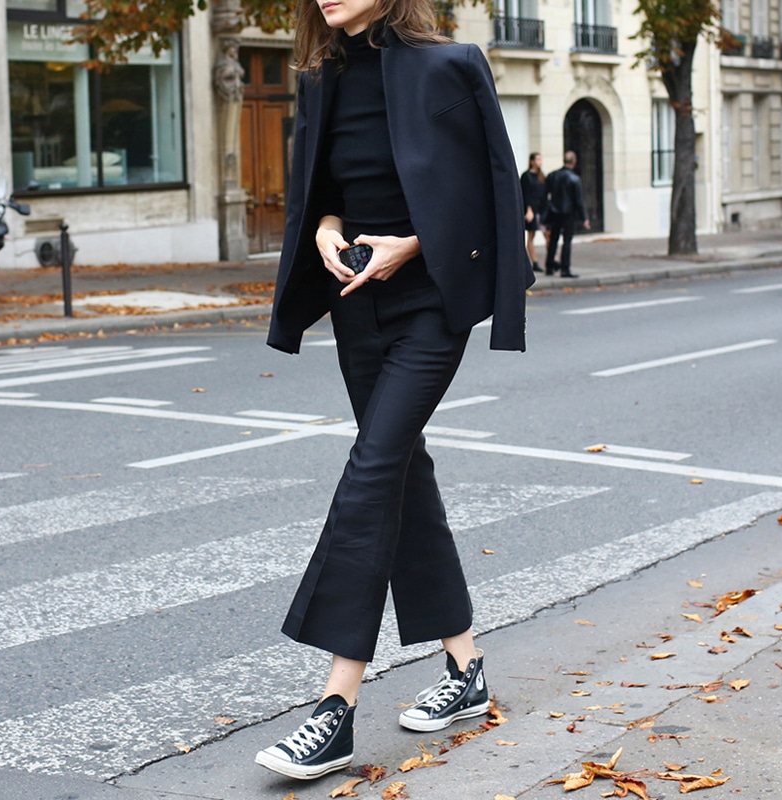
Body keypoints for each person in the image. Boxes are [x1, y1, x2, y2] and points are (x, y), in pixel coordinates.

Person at [258, 0, 533, 781]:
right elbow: (323, 192)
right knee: (405, 474)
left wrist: (409, 244)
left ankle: (336, 707)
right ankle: (465, 669)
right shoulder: (320, 77)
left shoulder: (451, 65)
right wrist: (323, 233)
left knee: (372, 470)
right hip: (357, 306)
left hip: (429, 305)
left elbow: (491, 192)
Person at [543, 150, 590, 278]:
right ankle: (565, 268)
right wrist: (584, 218)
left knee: (553, 239)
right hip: (568, 213)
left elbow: (546, 194)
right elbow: (578, 201)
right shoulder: (574, 179)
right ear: (574, 162)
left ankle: (549, 266)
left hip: (555, 211)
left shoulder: (553, 175)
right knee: (567, 241)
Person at [519, 152, 548, 273]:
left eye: (540, 159)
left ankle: (552, 259)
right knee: (531, 235)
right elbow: (525, 193)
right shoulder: (526, 176)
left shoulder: (541, 176)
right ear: (532, 161)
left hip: (541, 209)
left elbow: (544, 194)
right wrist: (528, 209)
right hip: (532, 210)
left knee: (548, 234)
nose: (539, 161)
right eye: (537, 159)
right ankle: (534, 261)